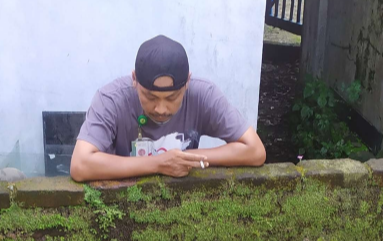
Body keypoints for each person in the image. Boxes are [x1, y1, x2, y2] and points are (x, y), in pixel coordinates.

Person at [69, 35, 266, 182]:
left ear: (187, 82)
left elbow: (255, 151)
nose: (161, 109)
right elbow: (80, 165)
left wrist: (185, 160)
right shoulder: (110, 100)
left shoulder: (203, 95)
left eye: (172, 97)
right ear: (134, 79)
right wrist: (159, 163)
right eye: (150, 96)